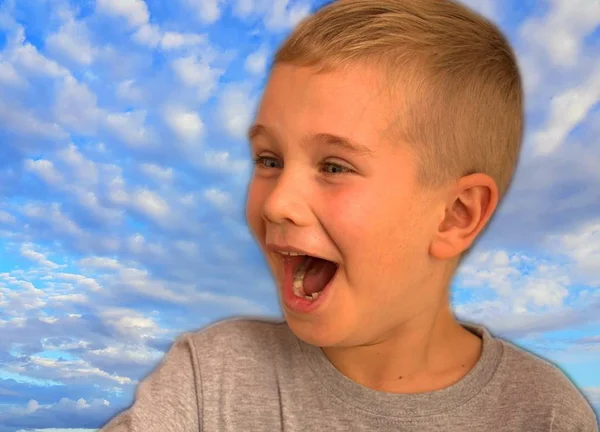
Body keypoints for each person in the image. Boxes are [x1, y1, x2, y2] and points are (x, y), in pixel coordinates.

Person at [100, 0, 599, 430]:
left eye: (334, 166)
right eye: (269, 160)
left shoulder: (544, 414)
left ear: (454, 216)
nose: (277, 203)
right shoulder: (207, 381)